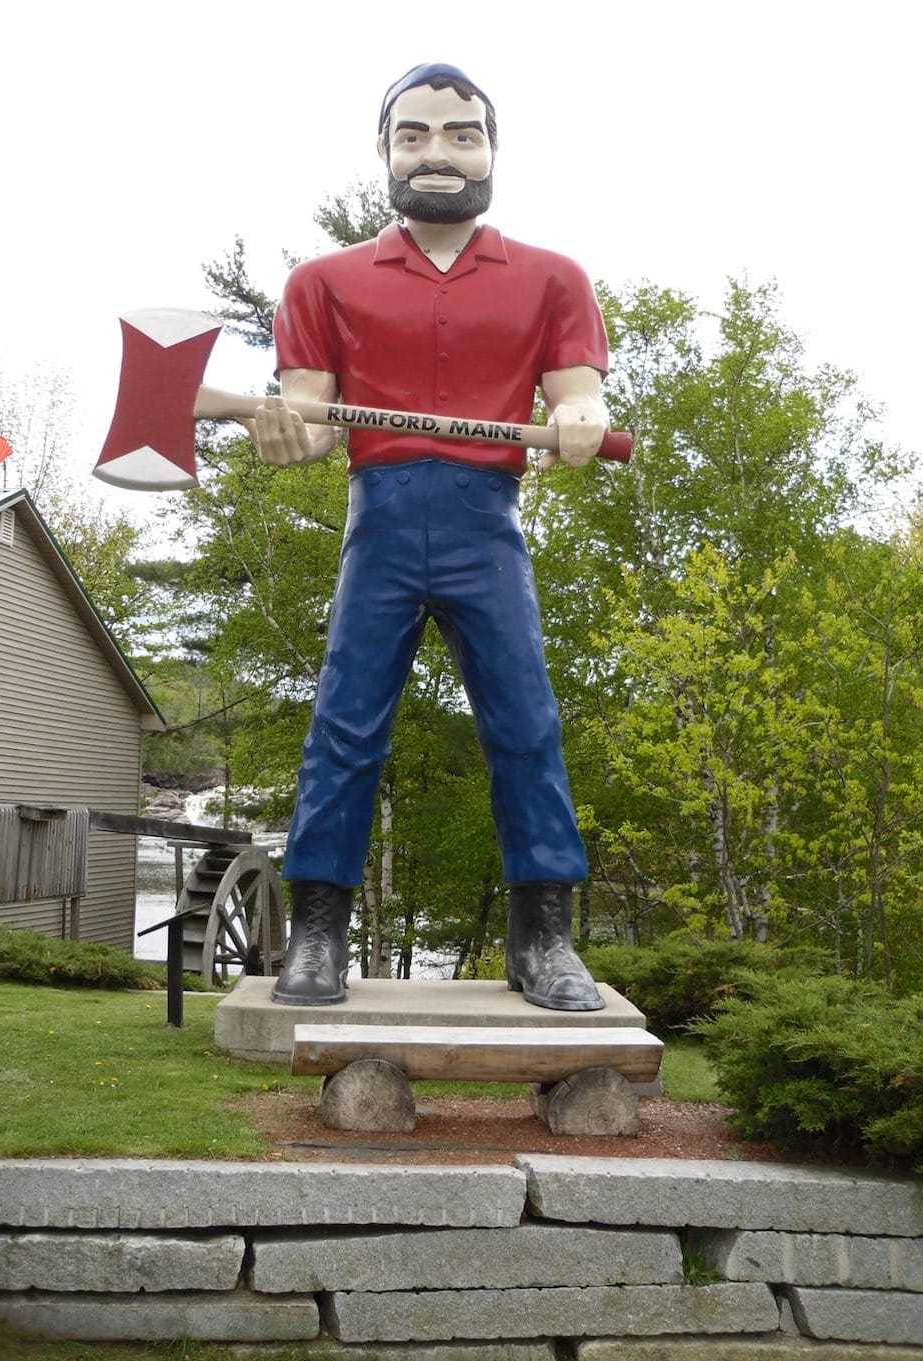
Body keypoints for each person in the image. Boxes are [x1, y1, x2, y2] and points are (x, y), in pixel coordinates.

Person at [251, 63, 609, 1012]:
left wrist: (579, 416)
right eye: (413, 135)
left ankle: (544, 938)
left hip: (486, 522)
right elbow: (311, 417)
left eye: (460, 134)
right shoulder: (321, 282)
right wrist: (287, 435)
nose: (437, 153)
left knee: (525, 723)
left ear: (492, 149)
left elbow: (578, 396)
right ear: (384, 150)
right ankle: (318, 933)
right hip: (380, 515)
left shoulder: (554, 279)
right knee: (344, 723)